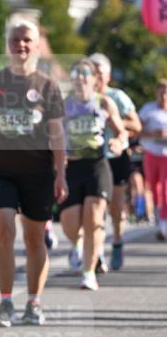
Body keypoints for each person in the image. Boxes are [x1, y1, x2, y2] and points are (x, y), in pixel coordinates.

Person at [0, 18, 68, 326]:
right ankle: (5, 303)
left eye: (27, 40)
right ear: (7, 45)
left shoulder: (48, 86)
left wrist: (61, 174)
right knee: (3, 229)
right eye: (15, 39)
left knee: (34, 239)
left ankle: (34, 303)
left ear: (37, 45)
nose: (21, 45)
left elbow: (57, 135)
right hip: (0, 170)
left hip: (38, 172)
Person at [59, 58, 126, 291]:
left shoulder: (104, 102)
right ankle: (77, 244)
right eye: (75, 74)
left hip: (98, 165)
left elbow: (121, 132)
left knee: (94, 219)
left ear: (94, 79)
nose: (80, 78)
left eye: (84, 73)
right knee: (70, 224)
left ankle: (88, 273)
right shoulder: (63, 105)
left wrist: (118, 142)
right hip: (71, 166)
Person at [88, 53, 141, 271]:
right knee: (95, 209)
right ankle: (97, 252)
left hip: (116, 157)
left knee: (116, 208)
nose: (96, 76)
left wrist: (114, 120)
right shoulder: (82, 97)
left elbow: (136, 125)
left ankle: (117, 240)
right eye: (92, 71)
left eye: (100, 72)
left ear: (108, 76)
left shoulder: (117, 96)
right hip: (92, 159)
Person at [139, 79, 167, 241]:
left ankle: (164, 224)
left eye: (166, 92)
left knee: (165, 189)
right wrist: (153, 134)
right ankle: (158, 217)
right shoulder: (148, 109)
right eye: (161, 91)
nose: (164, 95)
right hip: (151, 153)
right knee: (153, 187)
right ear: (157, 92)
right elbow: (138, 130)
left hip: (166, 156)